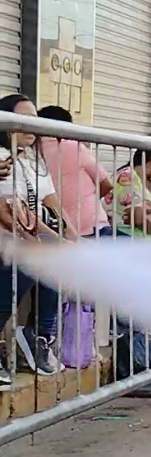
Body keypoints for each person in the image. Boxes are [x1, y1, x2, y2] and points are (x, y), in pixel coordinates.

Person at [0, 94, 68, 377]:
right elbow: (5, 211)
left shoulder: (32, 159)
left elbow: (38, 206)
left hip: (21, 230)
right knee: (29, 259)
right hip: (7, 234)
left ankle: (40, 335)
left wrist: (66, 236)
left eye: (35, 120)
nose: (32, 128)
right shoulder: (2, 157)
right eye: (23, 120)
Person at [38, 105, 114, 238]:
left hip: (57, 232)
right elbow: (106, 183)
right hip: (92, 226)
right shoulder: (75, 146)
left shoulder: (29, 152)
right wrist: (85, 200)